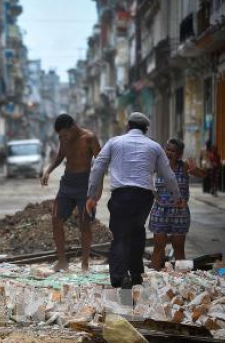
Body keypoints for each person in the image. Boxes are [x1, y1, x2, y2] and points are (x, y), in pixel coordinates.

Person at [86, 112, 184, 288]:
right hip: (143, 198)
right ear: (146, 130)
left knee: (120, 236)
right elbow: (168, 175)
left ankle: (120, 277)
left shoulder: (114, 142)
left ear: (128, 126)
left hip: (121, 196)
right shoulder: (154, 147)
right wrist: (177, 197)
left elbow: (98, 166)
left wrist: (93, 195)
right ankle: (136, 273)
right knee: (137, 232)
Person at [40, 114, 101, 271]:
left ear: (73, 127)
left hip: (85, 185)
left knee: (85, 223)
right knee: (56, 219)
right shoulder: (64, 138)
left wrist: (97, 189)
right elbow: (61, 155)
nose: (63, 137)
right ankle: (62, 261)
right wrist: (48, 170)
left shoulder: (89, 138)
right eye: (60, 136)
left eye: (64, 134)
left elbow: (100, 164)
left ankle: (85, 263)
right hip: (67, 183)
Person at [149, 138, 206, 270]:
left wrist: (195, 169)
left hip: (179, 213)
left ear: (179, 154)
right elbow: (144, 177)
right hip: (160, 211)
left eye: (173, 151)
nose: (169, 152)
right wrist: (153, 195)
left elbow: (204, 174)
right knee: (158, 247)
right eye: (167, 149)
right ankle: (155, 277)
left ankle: (182, 282)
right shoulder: (158, 165)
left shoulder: (184, 166)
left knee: (179, 247)